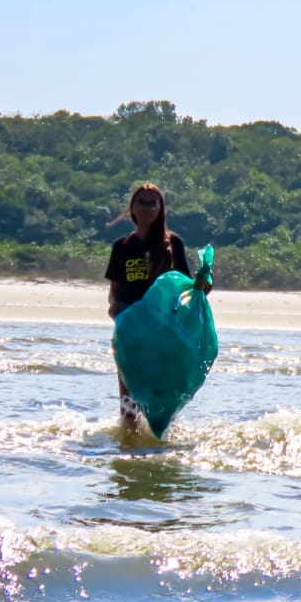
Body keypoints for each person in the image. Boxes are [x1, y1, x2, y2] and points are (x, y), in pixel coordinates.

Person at [105, 183, 211, 430]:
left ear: (161, 209)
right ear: (132, 207)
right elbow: (114, 294)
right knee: (129, 406)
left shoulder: (173, 244)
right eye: (141, 202)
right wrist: (116, 310)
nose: (147, 207)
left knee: (164, 403)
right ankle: (129, 450)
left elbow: (188, 290)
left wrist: (205, 283)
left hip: (165, 334)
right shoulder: (122, 247)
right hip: (130, 334)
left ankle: (159, 450)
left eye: (153, 203)